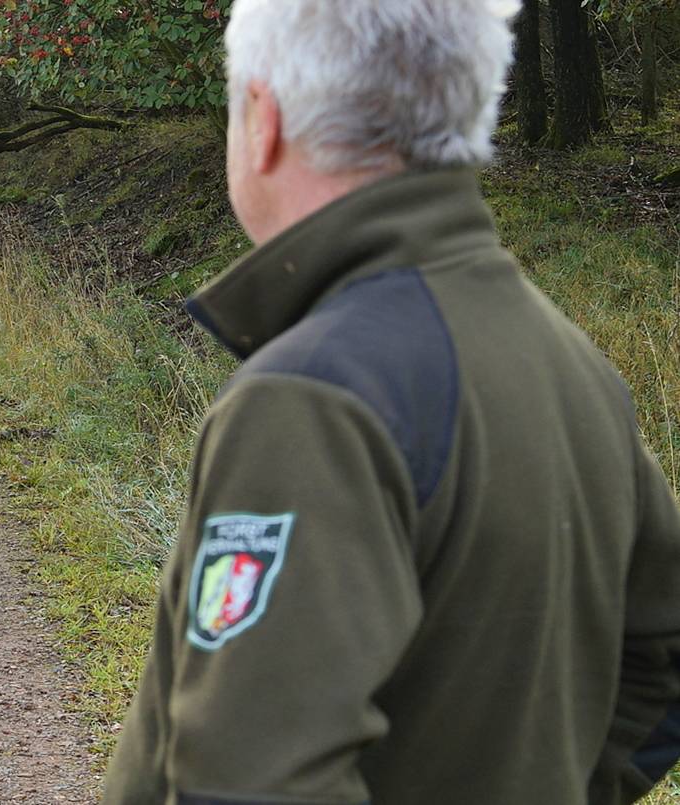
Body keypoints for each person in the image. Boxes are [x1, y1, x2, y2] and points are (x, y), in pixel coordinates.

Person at [101, 1, 680, 803]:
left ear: (262, 119)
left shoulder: (309, 397)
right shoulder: (573, 365)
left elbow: (250, 780)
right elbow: (660, 651)